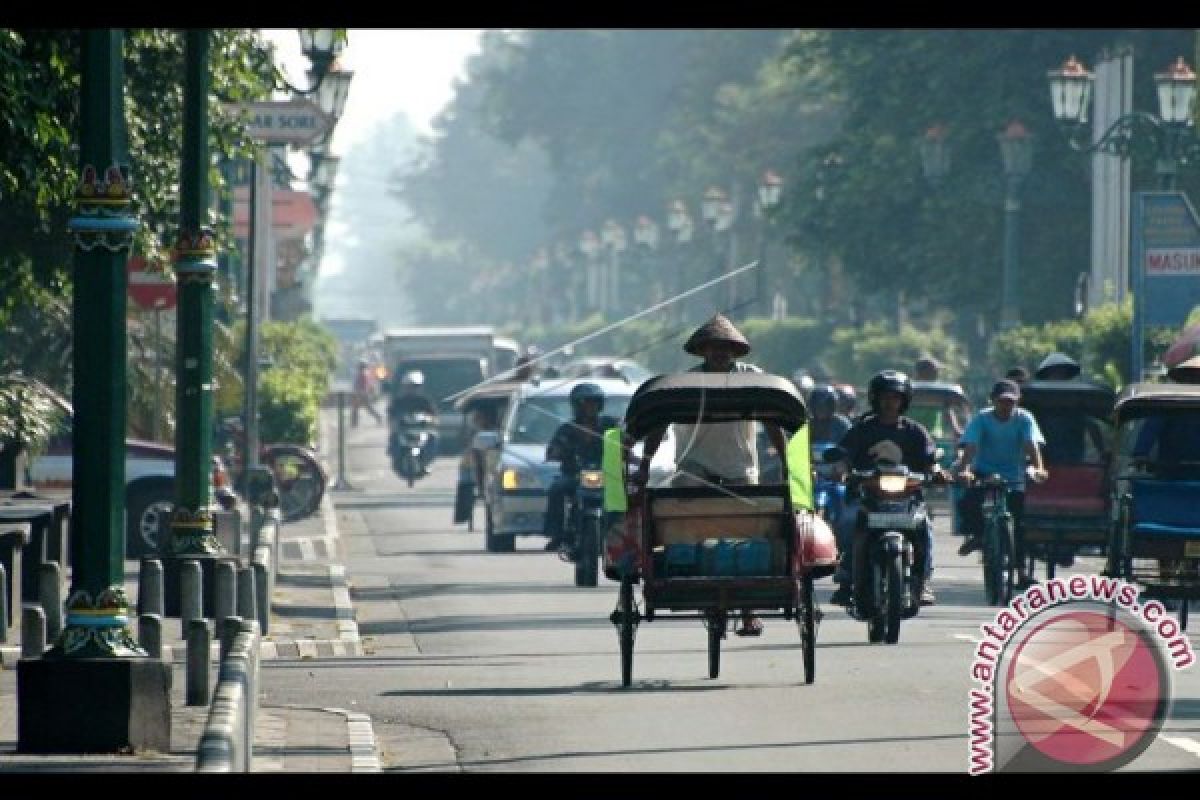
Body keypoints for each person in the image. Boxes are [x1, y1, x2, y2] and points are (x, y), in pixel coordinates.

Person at [636, 313, 790, 637]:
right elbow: (659, 424)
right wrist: (644, 464)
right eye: (713, 347)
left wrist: (787, 461)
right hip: (695, 465)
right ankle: (685, 572)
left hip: (740, 468)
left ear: (735, 351)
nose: (720, 353)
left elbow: (773, 422)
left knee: (753, 529)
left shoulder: (754, 380)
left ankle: (749, 612)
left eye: (726, 347)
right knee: (683, 505)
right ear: (703, 350)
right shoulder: (687, 383)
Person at [829, 370, 941, 609]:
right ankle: (847, 579)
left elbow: (931, 460)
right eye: (885, 397)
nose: (890, 402)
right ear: (876, 399)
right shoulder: (862, 429)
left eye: (896, 397)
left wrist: (938, 472)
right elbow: (844, 456)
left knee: (926, 530)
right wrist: (841, 469)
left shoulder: (915, 431)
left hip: (908, 499)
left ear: (904, 400)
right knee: (848, 521)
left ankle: (923, 582)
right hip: (867, 498)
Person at [954, 380, 1048, 588]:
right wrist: (965, 470)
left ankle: (1022, 573)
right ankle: (978, 535)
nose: (1006, 406)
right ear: (993, 400)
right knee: (969, 503)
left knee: (1019, 524)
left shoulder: (1024, 419)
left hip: (1013, 476)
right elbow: (971, 446)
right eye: (1002, 401)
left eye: (1010, 402)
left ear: (1017, 402)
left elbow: (1031, 445)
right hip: (984, 472)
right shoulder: (982, 419)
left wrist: (1038, 469)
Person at [542, 382, 619, 554]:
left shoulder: (610, 425)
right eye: (585, 403)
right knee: (556, 488)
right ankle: (557, 534)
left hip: (606, 474)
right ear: (576, 406)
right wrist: (555, 452)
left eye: (594, 403)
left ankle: (621, 534)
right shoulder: (567, 429)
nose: (590, 407)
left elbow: (624, 440)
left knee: (627, 493)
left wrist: (627, 445)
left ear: (600, 405)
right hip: (574, 475)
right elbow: (553, 447)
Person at [388, 370, 439, 474]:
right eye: (409, 386)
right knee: (394, 439)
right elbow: (391, 415)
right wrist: (394, 423)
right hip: (403, 430)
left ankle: (426, 461)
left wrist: (431, 421)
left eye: (415, 386)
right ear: (404, 387)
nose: (411, 389)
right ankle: (397, 461)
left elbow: (433, 415)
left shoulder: (425, 401)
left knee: (433, 437)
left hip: (420, 429)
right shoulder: (398, 401)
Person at [352, 358, 383, 427]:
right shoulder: (364, 373)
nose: (359, 367)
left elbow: (363, 385)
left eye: (360, 366)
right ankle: (354, 423)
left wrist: (359, 393)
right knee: (360, 408)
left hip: (362, 394)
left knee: (363, 408)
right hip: (363, 393)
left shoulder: (363, 374)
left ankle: (354, 423)